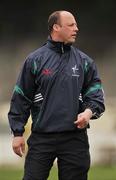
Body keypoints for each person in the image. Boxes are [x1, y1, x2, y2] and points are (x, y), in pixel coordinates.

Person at [8, 10, 105, 180]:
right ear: (56, 27)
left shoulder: (85, 62)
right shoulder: (34, 60)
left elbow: (95, 94)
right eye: (71, 25)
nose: (76, 28)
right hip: (41, 138)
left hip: (75, 139)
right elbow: (21, 97)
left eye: (75, 24)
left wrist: (88, 113)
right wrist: (17, 133)